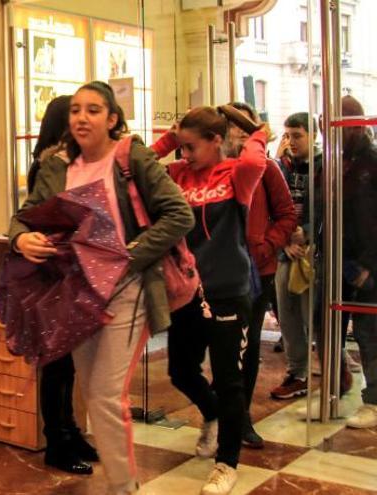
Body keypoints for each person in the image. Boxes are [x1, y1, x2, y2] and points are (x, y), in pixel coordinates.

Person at [9, 81, 194, 495]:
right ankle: (120, 483)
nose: (81, 118)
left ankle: (123, 487)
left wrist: (130, 254)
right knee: (92, 394)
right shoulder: (58, 166)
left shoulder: (131, 156)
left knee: (106, 395)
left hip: (128, 290)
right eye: (75, 110)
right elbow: (24, 216)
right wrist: (22, 238)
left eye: (93, 110)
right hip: (78, 295)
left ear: (112, 119)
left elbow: (179, 215)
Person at [157, 105, 267, 495]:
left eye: (191, 147)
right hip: (186, 291)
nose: (185, 155)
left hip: (227, 291)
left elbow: (258, 151)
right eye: (181, 148)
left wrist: (250, 126)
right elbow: (134, 169)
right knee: (180, 372)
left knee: (228, 380)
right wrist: (172, 137)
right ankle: (214, 415)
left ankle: (226, 464)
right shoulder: (177, 174)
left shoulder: (237, 173)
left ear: (216, 140)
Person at [25, 95, 99, 475]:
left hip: (69, 272)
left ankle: (70, 431)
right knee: (56, 365)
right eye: (75, 115)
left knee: (67, 365)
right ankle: (57, 440)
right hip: (53, 274)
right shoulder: (50, 167)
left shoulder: (69, 162)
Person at [229, 102, 296, 448]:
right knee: (222, 347)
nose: (236, 135)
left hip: (257, 270)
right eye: (231, 128)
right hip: (220, 272)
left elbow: (287, 214)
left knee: (248, 345)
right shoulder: (218, 170)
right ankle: (225, 413)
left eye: (243, 128)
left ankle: (240, 417)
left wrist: (265, 246)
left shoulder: (267, 168)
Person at [270, 112, 325, 401]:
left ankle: (334, 368)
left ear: (312, 135)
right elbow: (270, 207)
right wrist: (283, 243)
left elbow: (328, 206)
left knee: (312, 315)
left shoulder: (323, 165)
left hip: (311, 251)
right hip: (285, 251)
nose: (291, 142)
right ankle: (297, 371)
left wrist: (307, 233)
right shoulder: (281, 167)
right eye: (288, 135)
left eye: (297, 135)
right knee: (287, 315)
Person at [337, 95, 377, 429]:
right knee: (330, 329)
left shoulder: (371, 161)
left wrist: (368, 264)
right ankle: (333, 391)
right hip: (339, 256)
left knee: (367, 331)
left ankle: (374, 399)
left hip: (366, 261)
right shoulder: (338, 161)